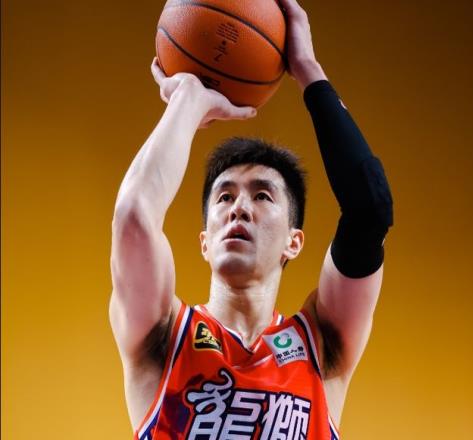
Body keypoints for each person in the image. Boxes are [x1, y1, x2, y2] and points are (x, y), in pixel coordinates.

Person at [109, 0, 394, 438]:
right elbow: (133, 217)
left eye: (262, 195)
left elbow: (369, 209)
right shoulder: (163, 336)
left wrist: (307, 69)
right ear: (205, 241)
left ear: (294, 241)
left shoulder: (321, 345)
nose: (238, 207)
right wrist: (188, 99)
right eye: (224, 197)